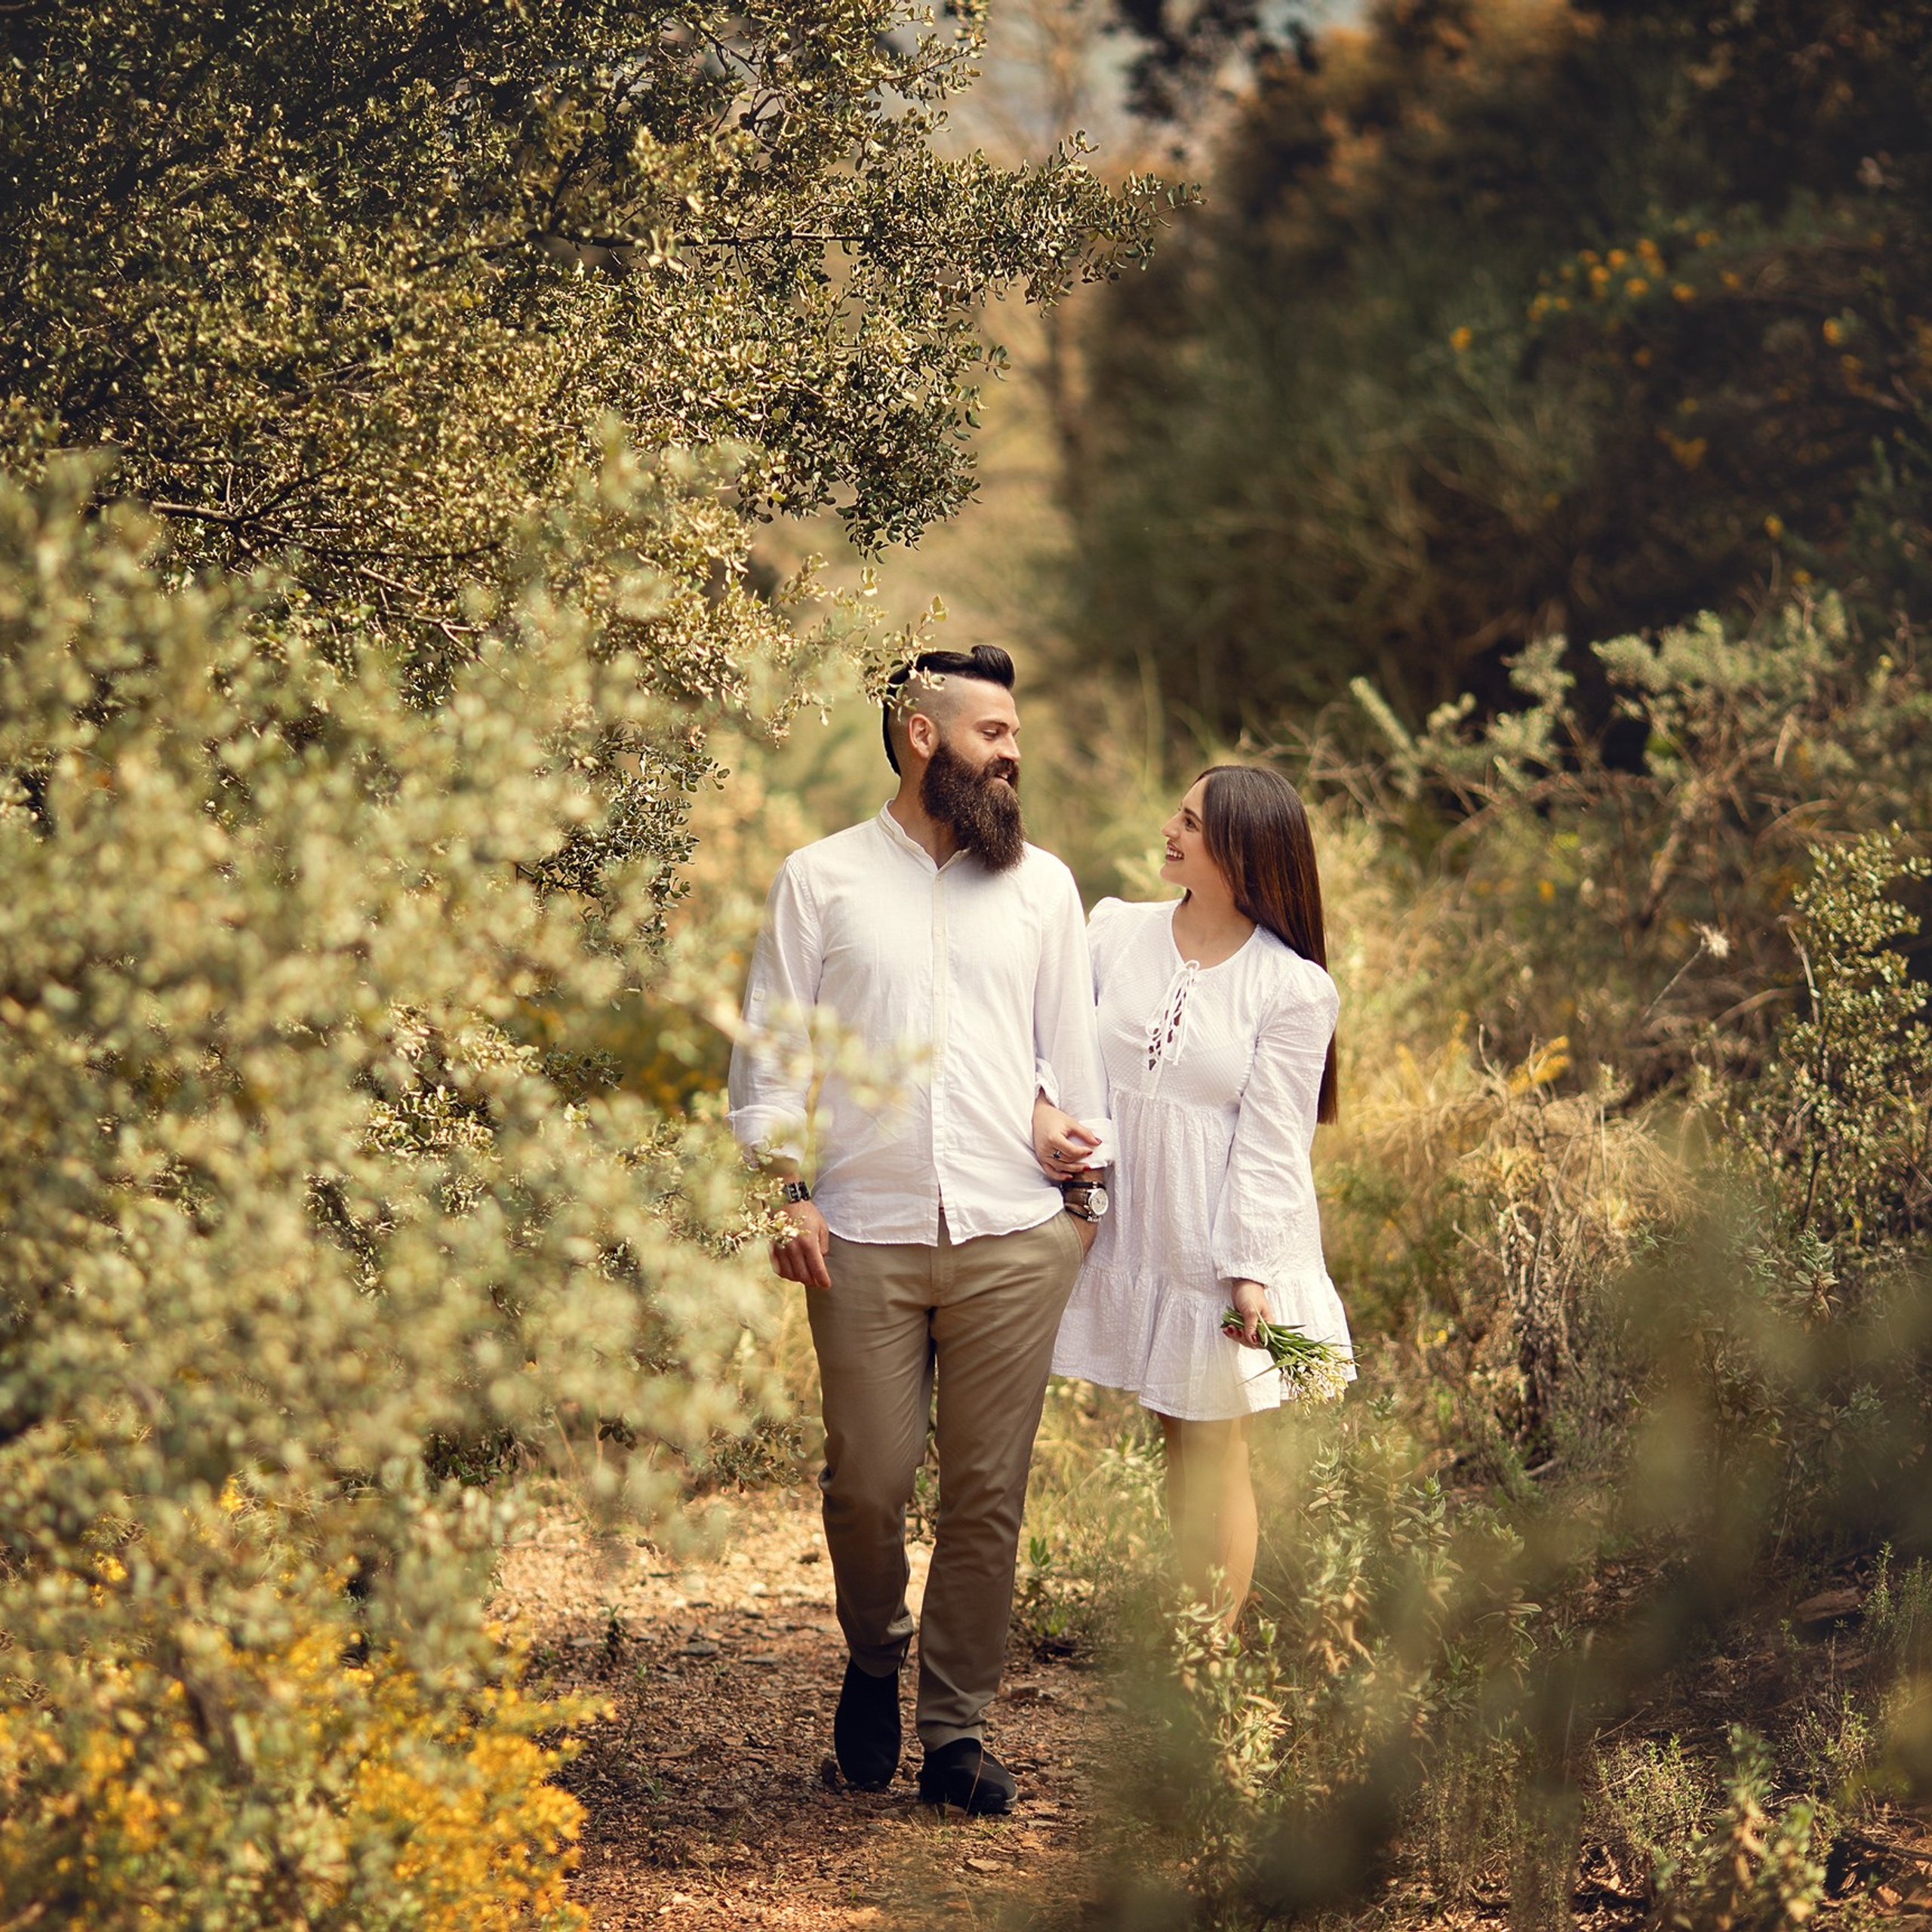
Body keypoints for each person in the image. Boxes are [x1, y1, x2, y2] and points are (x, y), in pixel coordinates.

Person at [727, 645, 1106, 1817]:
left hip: (1013, 1237)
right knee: (868, 1483)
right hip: (861, 1236)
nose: (1013, 753)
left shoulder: (1044, 889)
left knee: (987, 1497)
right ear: (922, 736)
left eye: (1016, 733)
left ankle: (956, 1733)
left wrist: (1078, 1201)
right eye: (995, 732)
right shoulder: (820, 880)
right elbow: (769, 1062)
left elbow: (1072, 1072)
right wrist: (785, 1193)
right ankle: (874, 1653)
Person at [1036, 764, 1352, 1628]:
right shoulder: (1116, 931)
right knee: (1176, 1434)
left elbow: (1274, 1140)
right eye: (1177, 814)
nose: (1168, 831)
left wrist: (1248, 1269)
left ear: (1244, 852)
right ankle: (1192, 1629)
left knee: (1214, 1442)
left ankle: (1208, 1650)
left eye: (1191, 823)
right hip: (1130, 1218)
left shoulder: (1290, 986)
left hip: (1214, 1234)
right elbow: (1057, 1049)